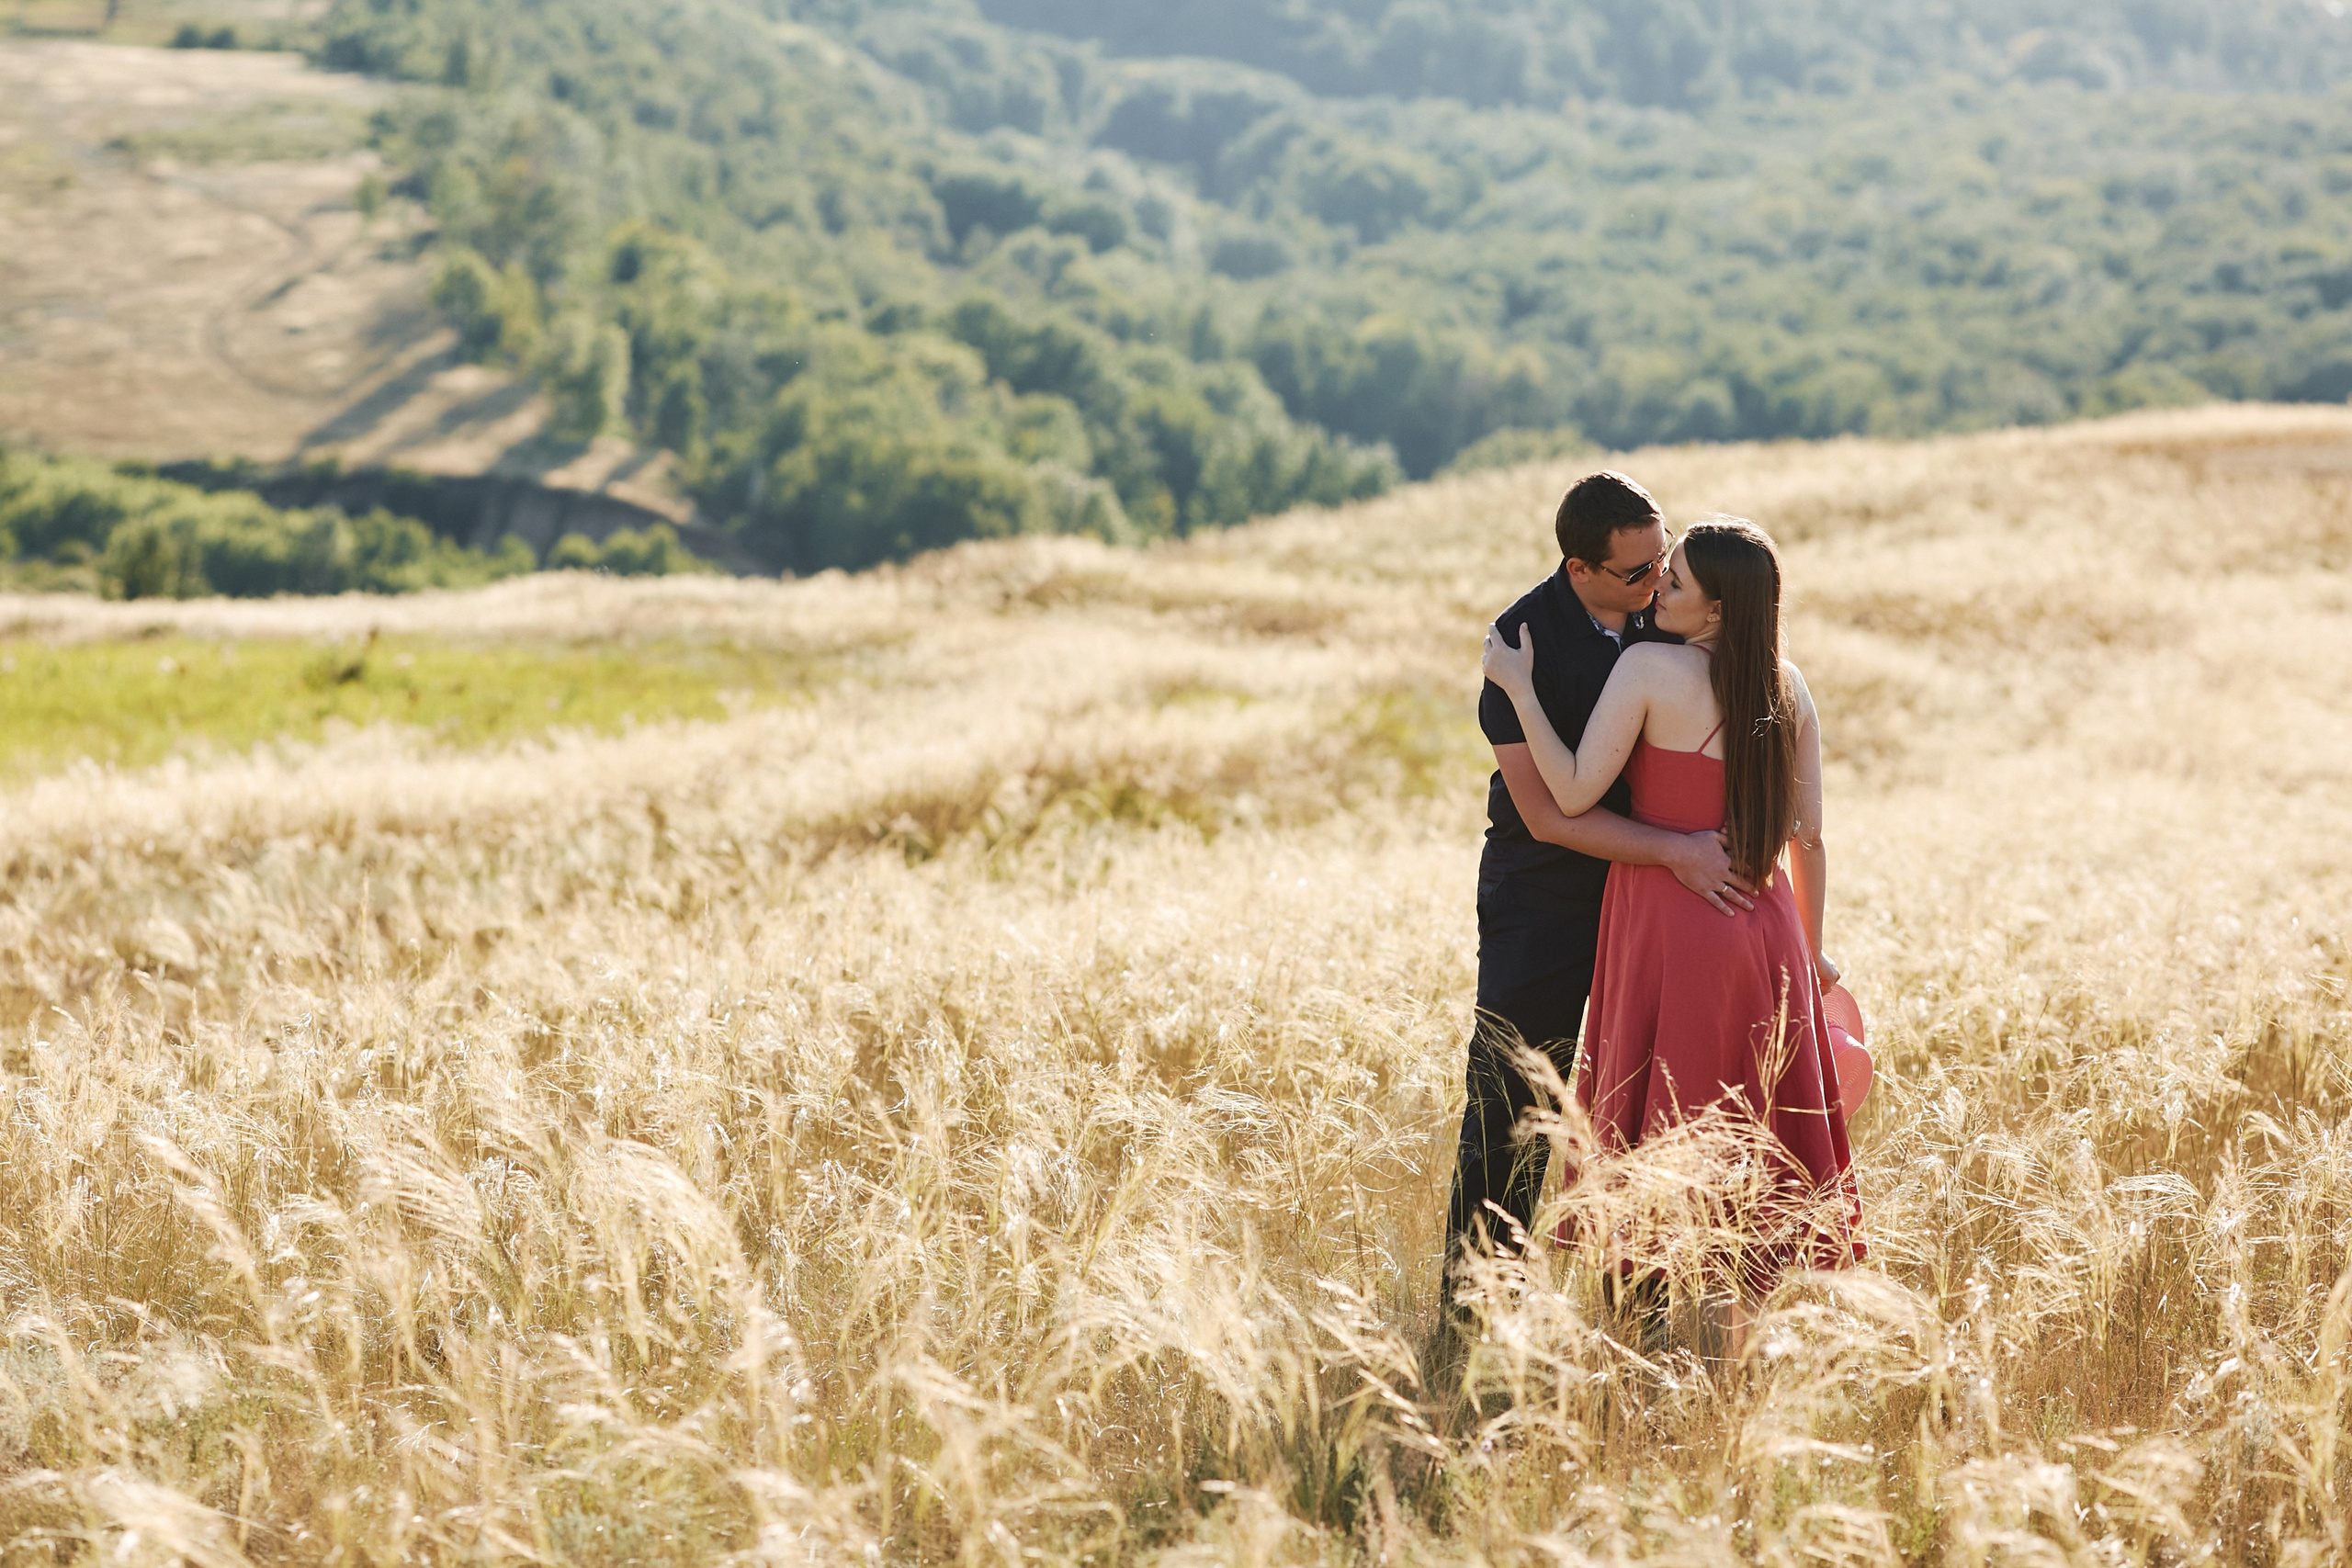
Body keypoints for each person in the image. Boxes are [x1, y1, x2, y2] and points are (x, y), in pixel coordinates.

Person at [1480, 515, 1863, 1343]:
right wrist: (1807, 950)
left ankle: (1644, 1342)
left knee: (1656, 1127)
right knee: (1749, 1136)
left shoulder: (1649, 668)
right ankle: (1734, 1350)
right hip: (1764, 936)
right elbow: (1810, 839)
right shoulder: (1790, 686)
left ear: (1717, 609)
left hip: (1666, 925)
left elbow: (1572, 791)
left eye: (1678, 580)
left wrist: (1517, 687)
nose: (1661, 588)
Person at [1444, 473, 1758, 1277]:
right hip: (1542, 901)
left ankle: (1641, 1311)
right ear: (1579, 568)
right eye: (1638, 571)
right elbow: (1548, 817)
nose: (1659, 581)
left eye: (1664, 560)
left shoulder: (1675, 616)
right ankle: (1481, 1312)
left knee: (1650, 1107)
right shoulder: (1519, 643)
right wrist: (1677, 851)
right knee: (1515, 1107)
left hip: (1656, 906)